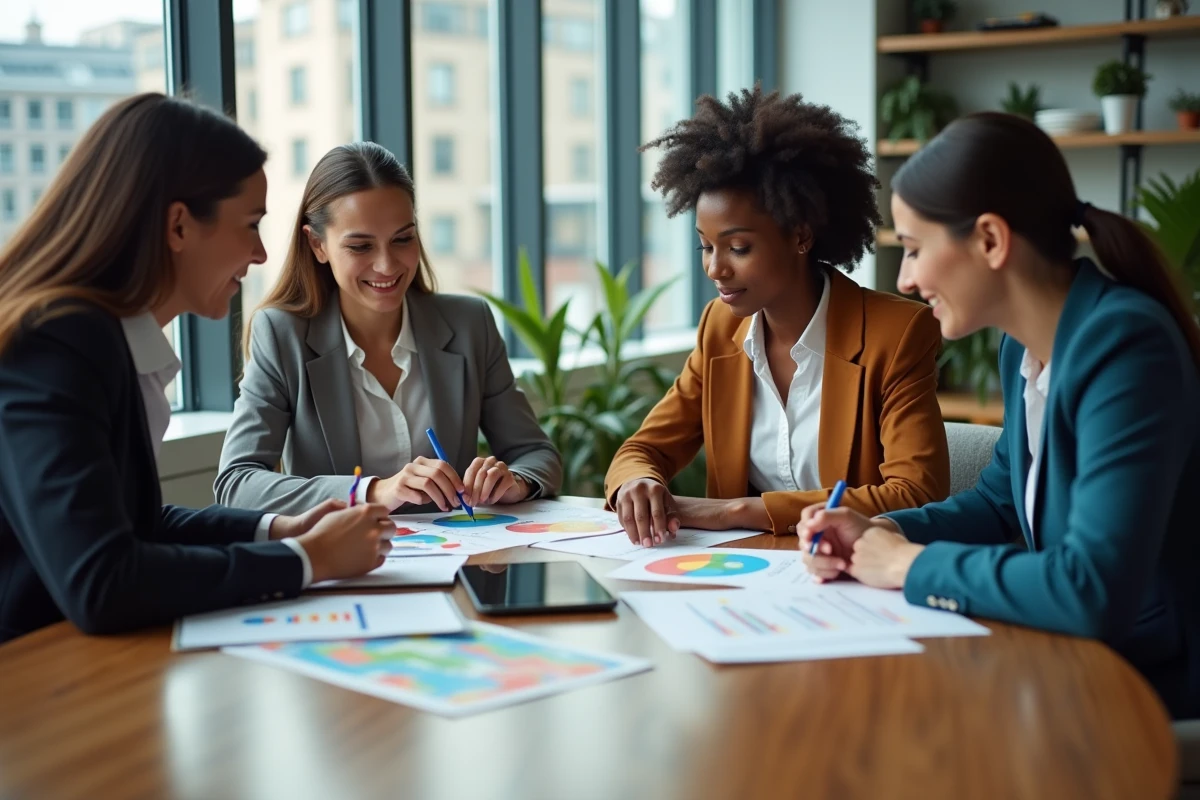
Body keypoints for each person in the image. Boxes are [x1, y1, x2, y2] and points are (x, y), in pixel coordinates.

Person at [800, 112, 1200, 719]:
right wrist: (881, 531)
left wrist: (908, 564)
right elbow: (997, 504)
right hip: (1069, 659)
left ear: (990, 240)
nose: (905, 279)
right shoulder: (1026, 346)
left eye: (912, 249)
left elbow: (1090, 589)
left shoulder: (1126, 347)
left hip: (1152, 683)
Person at [0, 94, 395, 643]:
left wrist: (278, 530)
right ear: (179, 226)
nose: (260, 255)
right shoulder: (56, 343)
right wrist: (307, 560)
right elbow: (102, 580)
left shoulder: (100, 338)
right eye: (250, 224)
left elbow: (133, 527)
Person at [604, 86, 950, 547]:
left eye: (738, 248)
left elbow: (915, 493)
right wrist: (636, 484)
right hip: (747, 578)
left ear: (800, 235)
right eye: (706, 247)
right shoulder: (720, 328)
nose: (715, 268)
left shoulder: (897, 334)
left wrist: (735, 513)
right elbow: (643, 450)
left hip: (850, 575)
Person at [216, 142, 561, 516]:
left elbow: (536, 454)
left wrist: (514, 481)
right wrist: (374, 491)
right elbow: (237, 483)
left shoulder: (469, 324)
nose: (386, 265)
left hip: (458, 566)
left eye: (402, 239)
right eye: (361, 246)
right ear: (318, 245)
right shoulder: (282, 335)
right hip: (342, 568)